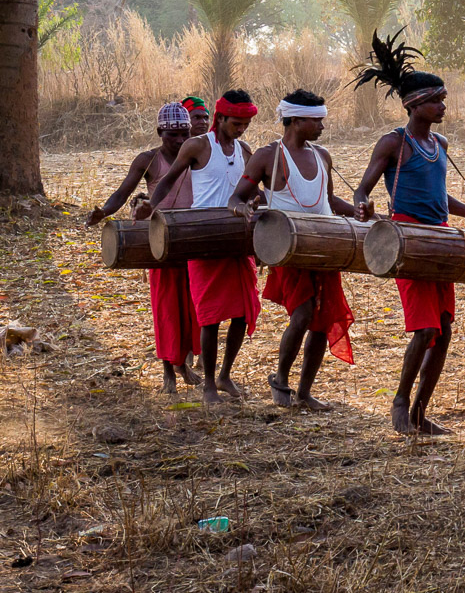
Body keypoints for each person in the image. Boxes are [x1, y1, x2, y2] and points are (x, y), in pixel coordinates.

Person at [351, 31, 465, 435]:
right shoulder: (394, 142)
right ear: (413, 104)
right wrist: (362, 204)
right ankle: (400, 403)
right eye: (435, 100)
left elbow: (443, 200)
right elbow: (363, 188)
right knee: (425, 329)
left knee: (442, 331)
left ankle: (422, 413)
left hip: (441, 238)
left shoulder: (439, 142)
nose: (442, 106)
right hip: (406, 240)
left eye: (443, 99)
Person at [227, 90, 357, 409]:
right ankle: (280, 379)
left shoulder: (323, 155)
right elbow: (237, 197)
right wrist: (243, 210)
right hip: (288, 248)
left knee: (322, 321)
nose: (322, 127)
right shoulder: (268, 156)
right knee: (302, 314)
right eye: (317, 121)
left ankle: (304, 392)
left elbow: (328, 201)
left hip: (326, 245)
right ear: (296, 121)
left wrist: (359, 212)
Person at [139, 90, 263, 405]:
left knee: (242, 314)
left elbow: (251, 190)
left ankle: (224, 375)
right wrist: (151, 209)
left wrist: (257, 204)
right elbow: (168, 181)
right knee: (209, 317)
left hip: (237, 239)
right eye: (237, 123)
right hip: (204, 237)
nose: (242, 129)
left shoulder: (245, 150)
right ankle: (208, 384)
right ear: (221, 118)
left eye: (246, 123)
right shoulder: (197, 146)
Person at [86, 103, 201, 393]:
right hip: (159, 239)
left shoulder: (196, 155)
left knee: (193, 307)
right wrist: (105, 211)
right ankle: (169, 375)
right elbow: (123, 192)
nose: (179, 140)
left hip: (191, 237)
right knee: (166, 308)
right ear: (160, 132)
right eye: (172, 135)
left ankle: (183, 363)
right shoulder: (149, 160)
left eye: (184, 133)